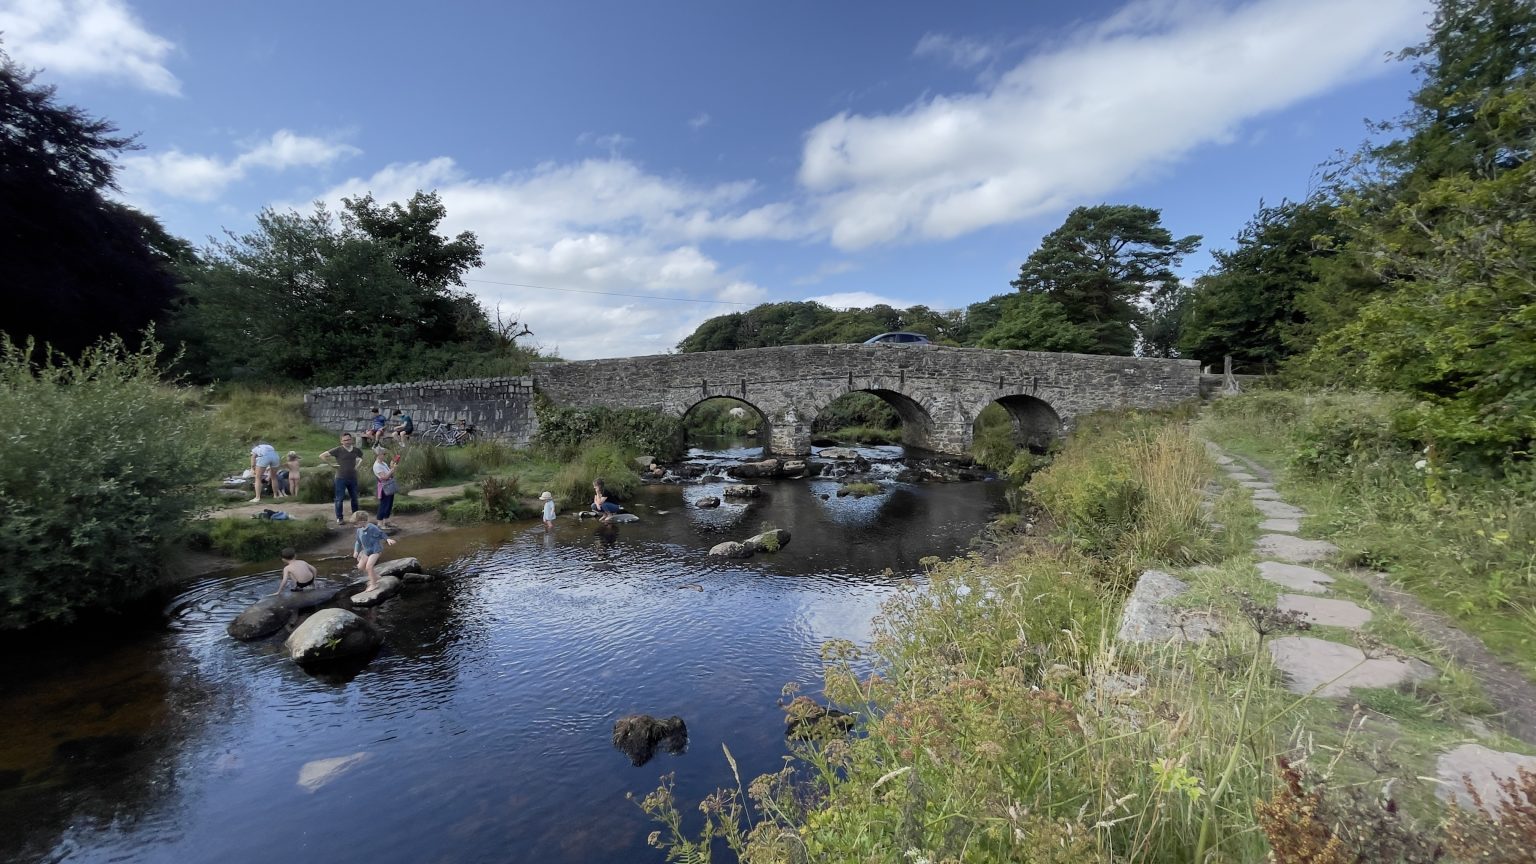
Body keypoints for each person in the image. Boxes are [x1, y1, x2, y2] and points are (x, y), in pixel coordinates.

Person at [319, 433, 365, 525]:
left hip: (353, 477)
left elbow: (361, 458)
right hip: (340, 478)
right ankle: (339, 518)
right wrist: (331, 464)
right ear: (341, 441)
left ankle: (355, 517)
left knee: (354, 498)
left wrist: (358, 466)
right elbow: (322, 455)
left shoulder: (356, 450)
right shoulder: (338, 450)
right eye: (345, 440)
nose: (347, 442)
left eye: (348, 440)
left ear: (351, 440)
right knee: (339, 499)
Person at [352, 511, 397, 591]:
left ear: (362, 521)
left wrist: (388, 539)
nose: (355, 526)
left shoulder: (372, 528)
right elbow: (358, 542)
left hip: (376, 550)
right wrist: (356, 551)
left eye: (356, 523)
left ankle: (374, 584)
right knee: (360, 566)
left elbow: (381, 533)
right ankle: (375, 577)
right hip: (366, 551)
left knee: (369, 566)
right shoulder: (359, 530)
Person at [373, 447, 402, 528]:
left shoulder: (383, 463)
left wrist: (391, 467)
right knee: (384, 504)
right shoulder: (377, 465)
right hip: (383, 487)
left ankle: (387, 521)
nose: (385, 455)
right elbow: (384, 477)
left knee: (389, 504)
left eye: (385, 454)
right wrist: (392, 469)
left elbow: (390, 474)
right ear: (378, 455)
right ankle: (380, 523)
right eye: (383, 454)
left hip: (389, 485)